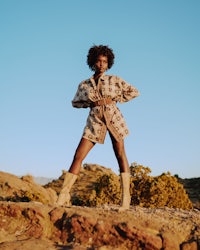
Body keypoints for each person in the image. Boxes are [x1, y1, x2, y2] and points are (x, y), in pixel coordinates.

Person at [57, 45, 139, 210]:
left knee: (120, 154)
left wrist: (115, 98)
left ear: (108, 64)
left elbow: (134, 91)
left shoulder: (114, 80)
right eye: (98, 61)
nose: (101, 64)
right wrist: (91, 104)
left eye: (105, 62)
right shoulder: (84, 85)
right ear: (92, 62)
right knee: (78, 155)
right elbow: (76, 102)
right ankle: (63, 196)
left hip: (113, 117)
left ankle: (125, 199)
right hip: (94, 120)